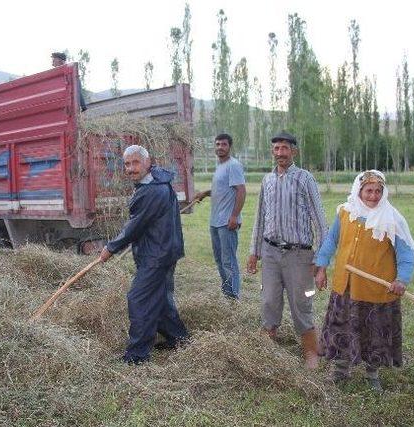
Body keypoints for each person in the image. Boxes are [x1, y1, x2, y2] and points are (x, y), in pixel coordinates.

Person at [314, 170, 414, 391]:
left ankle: (373, 375)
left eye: (378, 191)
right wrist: (321, 267)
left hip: (376, 292)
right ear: (358, 190)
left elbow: (406, 254)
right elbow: (331, 241)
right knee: (342, 328)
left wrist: (402, 279)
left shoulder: (392, 219)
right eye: (368, 190)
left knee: (374, 332)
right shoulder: (345, 213)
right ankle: (340, 371)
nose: (373, 196)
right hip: (346, 287)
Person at [99, 144, 189, 364]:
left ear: (148, 162)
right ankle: (178, 339)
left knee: (139, 299)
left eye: (135, 162)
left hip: (156, 256)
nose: (130, 168)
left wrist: (110, 248)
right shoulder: (160, 181)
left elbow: (133, 227)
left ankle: (137, 354)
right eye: (127, 164)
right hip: (167, 251)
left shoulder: (150, 191)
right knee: (161, 299)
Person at [247, 131, 328, 369]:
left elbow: (320, 223)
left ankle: (311, 354)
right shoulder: (267, 181)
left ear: (294, 151)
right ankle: (267, 353)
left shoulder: (305, 179)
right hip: (271, 253)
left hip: (299, 255)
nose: (280, 153)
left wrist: (321, 261)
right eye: (276, 149)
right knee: (269, 301)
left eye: (284, 148)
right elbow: (260, 218)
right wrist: (254, 252)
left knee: (301, 304)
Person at [193, 133, 246, 299]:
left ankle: (233, 297)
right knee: (219, 259)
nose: (220, 147)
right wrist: (205, 193)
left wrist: (234, 216)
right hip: (215, 222)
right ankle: (227, 293)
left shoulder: (233, 165)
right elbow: (222, 189)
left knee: (228, 261)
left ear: (230, 146)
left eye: (223, 144)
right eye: (217, 144)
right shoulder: (220, 166)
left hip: (226, 222)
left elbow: (241, 191)